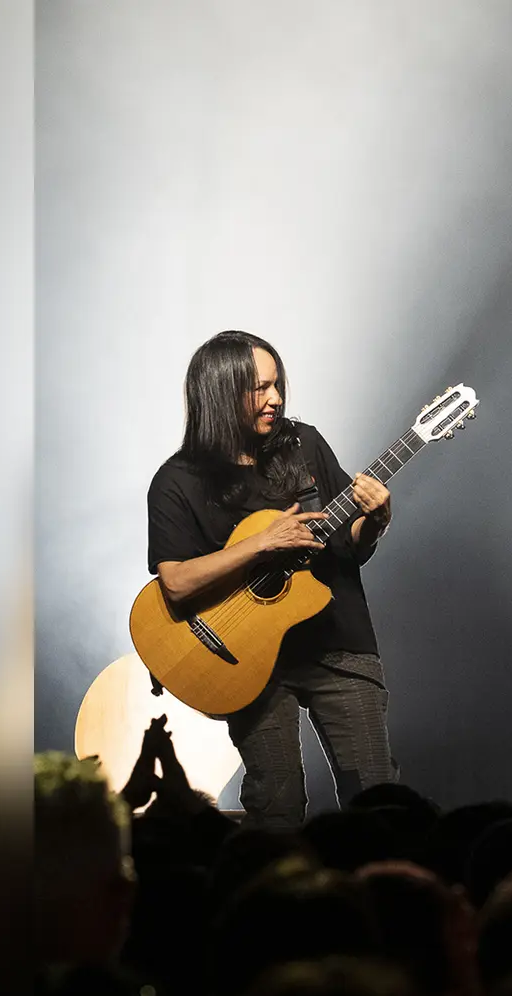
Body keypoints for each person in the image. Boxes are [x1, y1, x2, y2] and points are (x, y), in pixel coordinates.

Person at [146, 330, 398, 830]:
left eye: (277, 385)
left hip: (338, 643)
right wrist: (261, 543)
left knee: (379, 803)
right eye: (260, 388)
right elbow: (174, 582)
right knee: (276, 805)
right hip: (247, 662)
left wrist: (375, 520)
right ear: (219, 392)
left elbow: (349, 545)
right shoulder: (177, 481)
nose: (276, 399)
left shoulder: (304, 446)